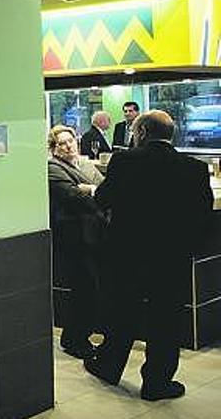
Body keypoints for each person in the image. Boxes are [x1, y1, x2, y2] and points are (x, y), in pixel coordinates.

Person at [84, 110, 213, 401]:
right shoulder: (194, 167)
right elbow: (202, 216)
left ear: (140, 134)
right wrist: (189, 249)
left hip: (127, 255)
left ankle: (108, 365)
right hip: (172, 259)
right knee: (166, 319)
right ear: (171, 135)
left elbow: (103, 198)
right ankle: (158, 383)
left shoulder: (125, 161)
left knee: (122, 311)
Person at [47, 125, 106, 359]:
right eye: (61, 143)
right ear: (54, 148)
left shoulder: (84, 164)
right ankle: (74, 339)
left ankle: (81, 336)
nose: (68, 145)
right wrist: (93, 193)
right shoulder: (52, 168)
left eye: (70, 140)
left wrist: (89, 190)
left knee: (91, 288)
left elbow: (104, 190)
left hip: (94, 235)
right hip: (73, 236)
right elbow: (72, 197)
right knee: (83, 287)